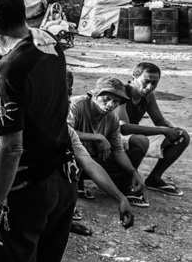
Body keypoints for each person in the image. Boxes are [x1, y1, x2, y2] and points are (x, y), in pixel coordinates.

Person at [0, 0, 75, 262]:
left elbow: (11, 148)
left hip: (27, 192)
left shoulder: (6, 72)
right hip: (61, 181)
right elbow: (6, 45)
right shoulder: (47, 42)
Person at [69, 77, 148, 207]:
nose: (111, 105)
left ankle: (122, 186)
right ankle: (74, 187)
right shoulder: (76, 105)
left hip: (92, 161)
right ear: (94, 95)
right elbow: (64, 132)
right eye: (107, 99)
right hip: (74, 159)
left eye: (116, 101)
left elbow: (118, 150)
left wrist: (134, 172)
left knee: (134, 149)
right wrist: (98, 137)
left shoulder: (112, 118)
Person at [118, 62, 189, 196]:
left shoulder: (148, 96)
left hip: (134, 137)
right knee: (139, 140)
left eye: (154, 83)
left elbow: (159, 121)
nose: (150, 87)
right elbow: (124, 128)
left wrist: (173, 130)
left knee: (182, 136)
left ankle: (154, 179)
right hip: (115, 138)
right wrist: (163, 130)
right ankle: (125, 179)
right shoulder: (121, 92)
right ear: (134, 76)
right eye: (146, 81)